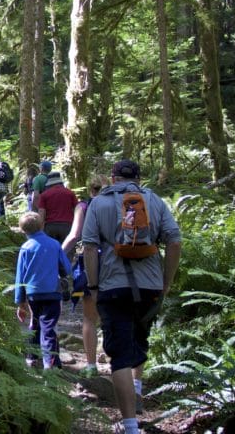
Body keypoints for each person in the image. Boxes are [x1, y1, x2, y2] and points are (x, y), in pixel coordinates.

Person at [81, 159, 181, 434]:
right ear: (139, 178)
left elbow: (89, 247)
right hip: (150, 287)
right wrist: (166, 282)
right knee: (139, 340)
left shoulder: (98, 203)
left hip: (113, 287)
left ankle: (130, 427)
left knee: (121, 355)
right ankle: (136, 388)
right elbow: (174, 241)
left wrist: (94, 286)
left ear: (113, 179)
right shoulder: (154, 201)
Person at [61, 174, 110, 378]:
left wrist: (58, 254)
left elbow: (74, 235)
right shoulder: (117, 205)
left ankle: (91, 365)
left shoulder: (83, 206)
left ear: (91, 189)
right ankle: (117, 362)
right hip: (113, 264)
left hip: (90, 264)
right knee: (113, 315)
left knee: (89, 317)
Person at [15, 211, 72, 369]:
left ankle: (31, 357)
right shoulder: (54, 244)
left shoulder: (25, 248)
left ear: (23, 230)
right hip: (52, 292)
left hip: (33, 294)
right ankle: (50, 363)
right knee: (48, 326)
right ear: (42, 225)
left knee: (35, 322)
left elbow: (20, 277)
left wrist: (20, 302)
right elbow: (66, 267)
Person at [37, 172, 78, 244]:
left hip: (50, 227)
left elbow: (41, 213)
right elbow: (77, 211)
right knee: (68, 249)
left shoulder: (44, 195)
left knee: (51, 249)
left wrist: (40, 231)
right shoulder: (70, 193)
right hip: (67, 226)